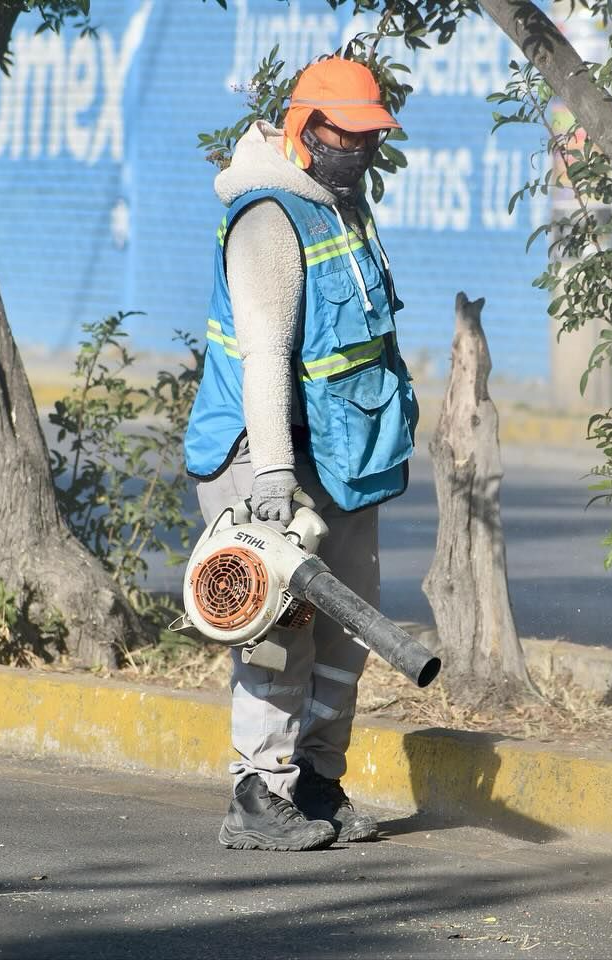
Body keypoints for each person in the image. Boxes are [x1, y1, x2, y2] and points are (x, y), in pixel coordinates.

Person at [184, 56, 419, 852]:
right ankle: (258, 793)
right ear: (302, 129)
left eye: (368, 135)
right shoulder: (270, 219)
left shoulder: (343, 208)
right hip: (265, 457)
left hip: (343, 459)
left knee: (347, 632)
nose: (358, 147)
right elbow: (263, 358)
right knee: (280, 630)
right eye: (344, 134)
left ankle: (318, 781)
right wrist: (275, 479)